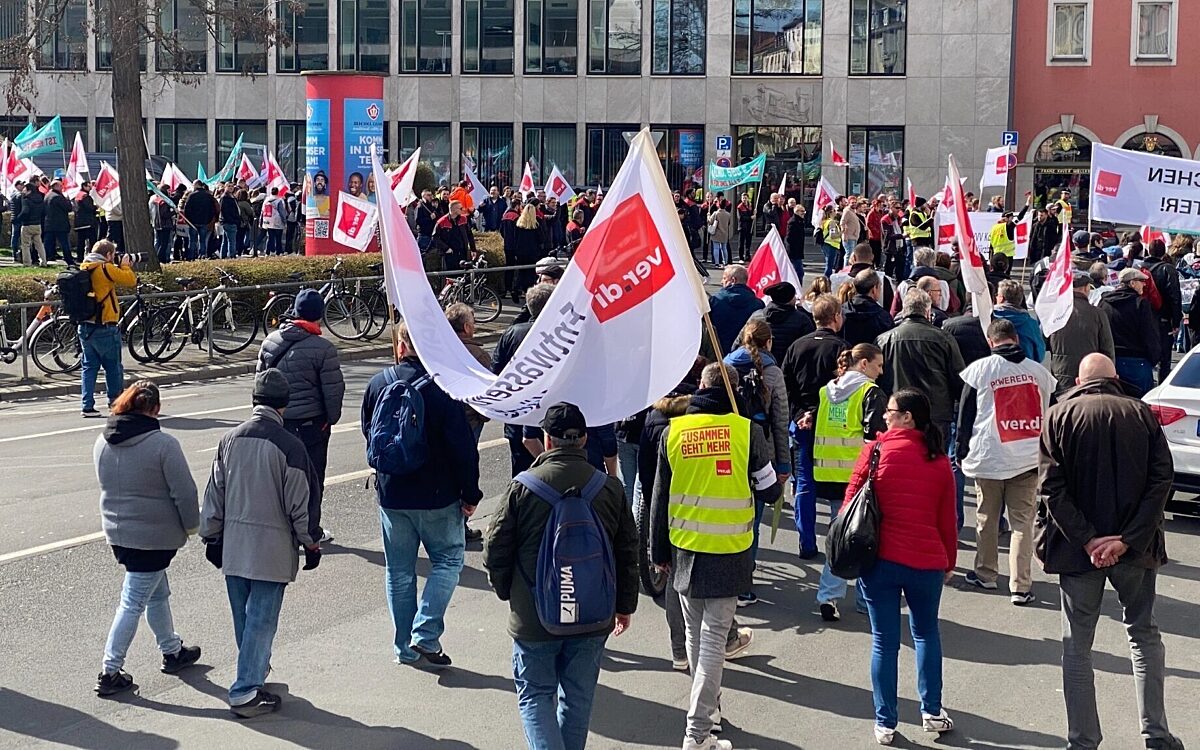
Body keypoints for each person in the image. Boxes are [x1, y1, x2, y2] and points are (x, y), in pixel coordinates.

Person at [1037, 354, 1183, 750]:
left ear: (1081, 380)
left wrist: (1088, 540)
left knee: (1077, 647)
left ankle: (1083, 740)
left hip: (1077, 552)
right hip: (1136, 552)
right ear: (1114, 377)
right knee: (1143, 635)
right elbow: (1161, 482)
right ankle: (1155, 733)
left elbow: (1051, 488)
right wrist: (1127, 539)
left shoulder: (1058, 416)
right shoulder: (1142, 414)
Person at [483, 403, 638, 750]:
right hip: (594, 614)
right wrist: (624, 605)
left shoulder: (522, 487)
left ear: (546, 441)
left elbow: (495, 551)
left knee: (535, 696)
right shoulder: (609, 488)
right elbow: (628, 551)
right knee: (578, 699)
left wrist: (510, 594)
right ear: (584, 440)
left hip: (534, 616)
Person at [649, 363, 781, 750]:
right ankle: (698, 731)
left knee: (696, 636)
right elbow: (770, 491)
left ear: (700, 389)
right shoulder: (746, 431)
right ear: (731, 392)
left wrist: (658, 553)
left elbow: (659, 498)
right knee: (712, 641)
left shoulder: (673, 432)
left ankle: (709, 718)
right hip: (729, 550)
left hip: (684, 547)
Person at [201, 369, 321, 718]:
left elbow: (215, 495)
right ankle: (245, 690)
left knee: (245, 618)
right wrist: (310, 543)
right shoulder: (290, 447)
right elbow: (300, 505)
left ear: (254, 400)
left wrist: (211, 535)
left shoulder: (229, 440)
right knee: (262, 620)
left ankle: (253, 673)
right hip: (271, 549)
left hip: (235, 546)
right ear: (284, 405)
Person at [361, 322, 482, 669]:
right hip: (437, 495)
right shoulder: (442, 388)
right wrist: (470, 493)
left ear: (399, 346)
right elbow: (463, 449)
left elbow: (370, 436)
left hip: (392, 493)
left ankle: (404, 646)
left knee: (398, 572)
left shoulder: (377, 383)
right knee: (448, 561)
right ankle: (425, 633)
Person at [846, 388, 958, 746]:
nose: (884, 416)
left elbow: (849, 507)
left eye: (890, 411)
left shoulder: (874, 453)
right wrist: (949, 562)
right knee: (926, 634)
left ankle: (885, 722)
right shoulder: (939, 461)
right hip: (926, 562)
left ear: (907, 416)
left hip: (879, 562)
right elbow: (948, 522)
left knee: (884, 642)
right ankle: (932, 711)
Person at [93, 380, 202, 697]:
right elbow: (184, 492)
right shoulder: (163, 444)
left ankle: (172, 650)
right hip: (153, 536)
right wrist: (192, 528)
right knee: (132, 602)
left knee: (157, 591)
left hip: (117, 532)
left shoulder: (102, 441)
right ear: (154, 409)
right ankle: (109, 671)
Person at [956, 319, 1054, 604]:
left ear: (990, 342)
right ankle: (1021, 586)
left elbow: (965, 416)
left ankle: (985, 573)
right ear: (1016, 340)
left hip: (989, 456)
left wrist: (960, 452)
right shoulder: (1039, 373)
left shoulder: (978, 371)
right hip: (1027, 457)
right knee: (1022, 522)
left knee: (987, 516)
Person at [256, 289, 345, 544]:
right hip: (311, 424)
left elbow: (259, 384)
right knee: (312, 479)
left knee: (279, 478)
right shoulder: (323, 348)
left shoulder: (270, 341)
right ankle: (310, 532)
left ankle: (280, 528)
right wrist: (331, 418)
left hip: (277, 423)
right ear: (320, 315)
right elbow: (333, 391)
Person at [876, 288, 966, 526]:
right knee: (936, 469)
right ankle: (940, 520)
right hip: (936, 414)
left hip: (898, 414)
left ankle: (900, 518)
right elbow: (958, 378)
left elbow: (879, 379)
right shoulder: (943, 338)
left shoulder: (885, 339)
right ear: (928, 311)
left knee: (899, 469)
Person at [812, 343, 886, 622]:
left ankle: (828, 596)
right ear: (864, 364)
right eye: (878, 365)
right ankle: (865, 600)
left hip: (828, 473)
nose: (881, 371)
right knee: (866, 538)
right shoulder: (870, 393)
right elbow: (874, 440)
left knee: (839, 536)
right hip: (858, 476)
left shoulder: (826, 391)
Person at [724, 320, 791, 606]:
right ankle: (743, 584)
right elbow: (780, 420)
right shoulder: (773, 372)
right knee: (753, 521)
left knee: (727, 517)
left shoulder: (725, 365)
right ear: (769, 342)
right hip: (761, 453)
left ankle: (724, 578)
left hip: (727, 450)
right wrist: (784, 465)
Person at [781, 295, 847, 558]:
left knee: (805, 483)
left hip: (801, 425)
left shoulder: (796, 347)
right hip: (832, 426)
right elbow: (843, 389)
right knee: (838, 486)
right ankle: (836, 543)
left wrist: (800, 414)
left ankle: (806, 542)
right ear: (836, 317)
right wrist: (815, 413)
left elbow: (786, 388)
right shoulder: (842, 348)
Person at [494, 284, 555, 476]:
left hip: (517, 416)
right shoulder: (562, 333)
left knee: (522, 476)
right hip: (552, 417)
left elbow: (495, 372)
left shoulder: (512, 333)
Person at [446, 302, 492, 543]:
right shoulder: (479, 355)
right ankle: (459, 525)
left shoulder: (438, 350)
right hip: (469, 422)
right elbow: (487, 397)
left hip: (443, 419)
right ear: (466, 327)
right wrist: (483, 416)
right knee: (465, 469)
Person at [78, 240, 136, 418]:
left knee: (89, 367)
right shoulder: (104, 268)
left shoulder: (84, 266)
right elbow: (130, 280)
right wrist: (126, 266)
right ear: (108, 255)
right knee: (113, 367)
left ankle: (87, 406)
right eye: (113, 255)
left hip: (85, 326)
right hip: (105, 326)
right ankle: (116, 403)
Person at [1047, 273, 1116, 393]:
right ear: (1086, 288)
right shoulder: (1097, 314)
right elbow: (1107, 347)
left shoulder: (1055, 313)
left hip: (1061, 371)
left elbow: (1045, 341)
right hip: (1091, 372)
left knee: (1064, 407)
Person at [1098, 268, 1161, 396]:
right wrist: (1155, 357)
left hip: (1112, 360)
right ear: (1132, 283)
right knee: (1140, 406)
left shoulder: (1104, 303)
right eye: (1141, 281)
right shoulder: (1140, 303)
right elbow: (1149, 334)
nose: (1144, 284)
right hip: (1137, 361)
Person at [1142, 238, 1183, 384]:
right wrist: (1176, 321)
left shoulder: (1139, 267)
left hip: (1142, 316)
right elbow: (1175, 296)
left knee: (1144, 354)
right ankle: (1161, 386)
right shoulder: (1168, 269)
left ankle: (1145, 386)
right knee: (1164, 359)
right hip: (1163, 319)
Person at [750, 281, 814, 362]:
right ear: (791, 299)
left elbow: (741, 340)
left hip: (760, 363)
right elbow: (810, 345)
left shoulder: (757, 316)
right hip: (790, 367)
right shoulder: (802, 320)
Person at [707, 264, 764, 356]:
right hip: (745, 353)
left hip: (718, 352)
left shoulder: (715, 301)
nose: (722, 282)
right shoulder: (758, 304)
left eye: (724, 278)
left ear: (733, 280)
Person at [991, 280, 1045, 363]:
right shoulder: (1031, 324)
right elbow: (1040, 353)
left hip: (996, 368)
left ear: (1001, 298)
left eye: (997, 295)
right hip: (1025, 369)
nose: (996, 297)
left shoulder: (990, 318)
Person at [841, 269, 894, 346]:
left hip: (846, 356)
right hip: (873, 356)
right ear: (874, 289)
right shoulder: (883, 317)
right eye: (880, 286)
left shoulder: (841, 313)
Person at [434, 200, 478, 272]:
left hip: (463, 252)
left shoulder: (464, 219)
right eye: (460, 208)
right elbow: (435, 238)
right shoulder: (441, 222)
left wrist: (473, 249)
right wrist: (446, 248)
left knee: (464, 275)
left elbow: (469, 234)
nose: (463, 210)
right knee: (452, 275)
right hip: (450, 254)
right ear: (454, 209)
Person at [181, 181, 218, 261]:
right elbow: (212, 210)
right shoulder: (208, 196)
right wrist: (208, 220)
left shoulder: (191, 196)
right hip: (204, 221)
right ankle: (202, 255)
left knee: (192, 241)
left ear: (196, 185)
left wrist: (188, 220)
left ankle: (191, 256)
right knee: (203, 240)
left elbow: (187, 209)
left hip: (193, 222)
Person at [43, 180, 74, 265]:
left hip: (49, 224)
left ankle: (44, 258)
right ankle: (69, 260)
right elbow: (68, 208)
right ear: (56, 186)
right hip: (60, 224)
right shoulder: (58, 197)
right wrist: (67, 199)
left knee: (48, 243)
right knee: (65, 244)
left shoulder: (47, 195)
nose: (62, 187)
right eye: (60, 186)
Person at [17, 181, 45, 266]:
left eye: (25, 188)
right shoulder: (40, 198)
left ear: (29, 190)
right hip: (37, 224)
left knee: (25, 245)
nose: (23, 190)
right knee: (39, 245)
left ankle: (27, 263)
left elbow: (25, 211)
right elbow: (44, 211)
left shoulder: (26, 200)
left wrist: (18, 218)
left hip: (27, 225)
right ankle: (43, 261)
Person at [73, 184, 97, 266]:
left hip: (80, 223)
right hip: (88, 222)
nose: (90, 188)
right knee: (92, 241)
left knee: (81, 242)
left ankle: (79, 257)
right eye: (89, 186)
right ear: (84, 186)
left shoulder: (78, 195)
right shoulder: (86, 196)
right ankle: (93, 257)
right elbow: (89, 208)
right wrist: (95, 207)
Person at [819, 205, 843, 278]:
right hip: (831, 245)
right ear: (831, 212)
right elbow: (833, 235)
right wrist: (841, 233)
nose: (836, 212)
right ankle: (826, 280)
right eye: (834, 211)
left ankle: (826, 279)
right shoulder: (831, 222)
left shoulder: (825, 221)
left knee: (829, 264)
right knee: (829, 265)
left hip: (827, 244)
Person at [219, 184, 242, 259]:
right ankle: (231, 256)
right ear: (225, 187)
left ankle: (223, 256)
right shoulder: (225, 198)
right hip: (229, 222)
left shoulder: (233, 197)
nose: (230, 188)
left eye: (232, 186)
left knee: (225, 241)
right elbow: (224, 211)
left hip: (231, 221)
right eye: (228, 186)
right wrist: (233, 220)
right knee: (232, 241)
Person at [708, 200, 732, 267]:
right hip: (724, 233)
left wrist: (708, 216)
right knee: (724, 248)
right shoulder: (728, 214)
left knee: (716, 248)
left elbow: (710, 222)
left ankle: (717, 263)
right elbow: (729, 223)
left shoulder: (716, 213)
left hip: (716, 233)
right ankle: (725, 262)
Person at [735, 193, 754, 262]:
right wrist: (750, 217)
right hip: (742, 227)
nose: (744, 199)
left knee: (748, 242)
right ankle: (741, 257)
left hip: (749, 227)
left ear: (748, 198)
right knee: (741, 243)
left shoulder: (750, 205)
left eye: (745, 198)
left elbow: (752, 215)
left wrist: (754, 214)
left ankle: (747, 256)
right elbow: (740, 218)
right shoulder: (739, 207)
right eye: (743, 198)